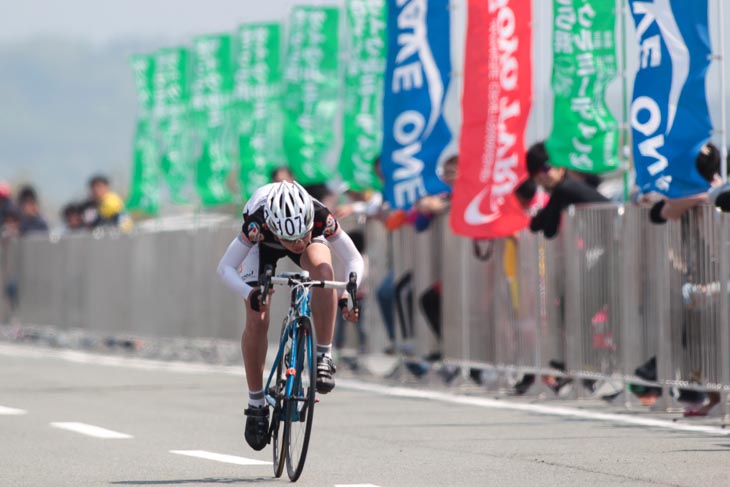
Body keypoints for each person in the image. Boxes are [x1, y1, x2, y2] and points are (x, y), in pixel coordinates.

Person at [216, 180, 364, 451]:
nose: (297, 244)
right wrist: (250, 294)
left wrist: (348, 294)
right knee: (256, 316)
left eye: (302, 236)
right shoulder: (257, 223)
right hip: (264, 247)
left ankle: (323, 356)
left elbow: (354, 260)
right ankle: (256, 403)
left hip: (296, 230)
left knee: (324, 273)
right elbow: (225, 268)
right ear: (273, 227)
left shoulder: (319, 217)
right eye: (291, 240)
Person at [526, 142, 611, 239]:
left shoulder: (565, 189)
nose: (541, 176)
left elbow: (549, 230)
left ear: (560, 166)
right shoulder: (564, 189)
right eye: (535, 173)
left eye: (545, 168)